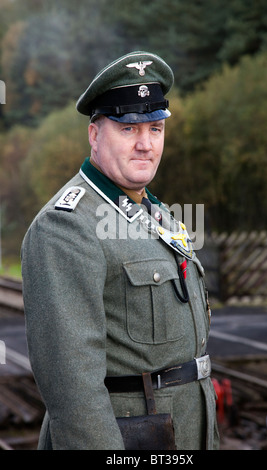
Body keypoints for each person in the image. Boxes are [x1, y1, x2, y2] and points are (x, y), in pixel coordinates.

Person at [21, 51, 219, 450]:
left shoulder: (156, 213)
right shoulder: (67, 225)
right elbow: (73, 391)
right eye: (129, 130)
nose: (146, 144)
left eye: (155, 128)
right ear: (95, 135)